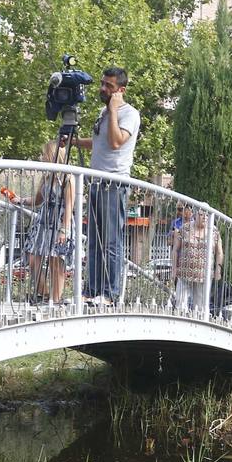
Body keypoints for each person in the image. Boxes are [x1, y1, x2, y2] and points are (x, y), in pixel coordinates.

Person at [74, 67, 139, 306]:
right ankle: (91, 291)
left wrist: (113, 110)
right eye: (102, 84)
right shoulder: (104, 112)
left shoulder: (129, 114)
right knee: (94, 240)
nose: (103, 89)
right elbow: (100, 142)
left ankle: (110, 294)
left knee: (111, 242)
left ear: (121, 90)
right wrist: (75, 142)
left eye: (109, 86)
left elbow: (115, 142)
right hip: (96, 183)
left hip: (114, 184)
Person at [20, 141, 75, 305]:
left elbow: (69, 205)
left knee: (55, 260)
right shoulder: (47, 177)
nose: (42, 157)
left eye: (44, 154)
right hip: (43, 221)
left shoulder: (68, 178)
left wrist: (64, 229)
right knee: (32, 257)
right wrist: (20, 200)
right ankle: (43, 294)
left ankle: (55, 299)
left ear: (53, 155)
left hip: (59, 221)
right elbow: (38, 200)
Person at [170, 204, 222, 315]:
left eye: (207, 215)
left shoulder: (214, 231)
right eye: (202, 214)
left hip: (204, 275)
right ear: (195, 215)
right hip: (184, 273)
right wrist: (174, 269)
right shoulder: (184, 228)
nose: (205, 217)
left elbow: (219, 252)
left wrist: (218, 269)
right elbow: (175, 250)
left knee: (201, 308)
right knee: (180, 305)